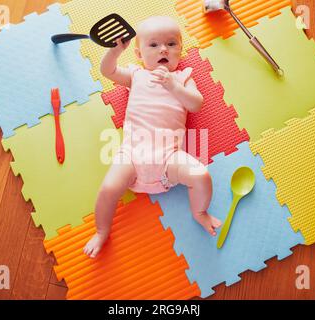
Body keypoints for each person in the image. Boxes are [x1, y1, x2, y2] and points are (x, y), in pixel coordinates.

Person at [84, 16, 221, 258]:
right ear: (138, 54)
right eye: (154, 45)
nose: (163, 50)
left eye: (171, 44)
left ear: (180, 49)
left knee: (201, 175)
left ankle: (200, 212)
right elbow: (108, 71)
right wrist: (114, 52)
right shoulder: (136, 75)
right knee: (108, 188)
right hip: (133, 156)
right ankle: (102, 231)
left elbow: (196, 104)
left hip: (169, 158)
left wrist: (174, 87)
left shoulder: (183, 77)